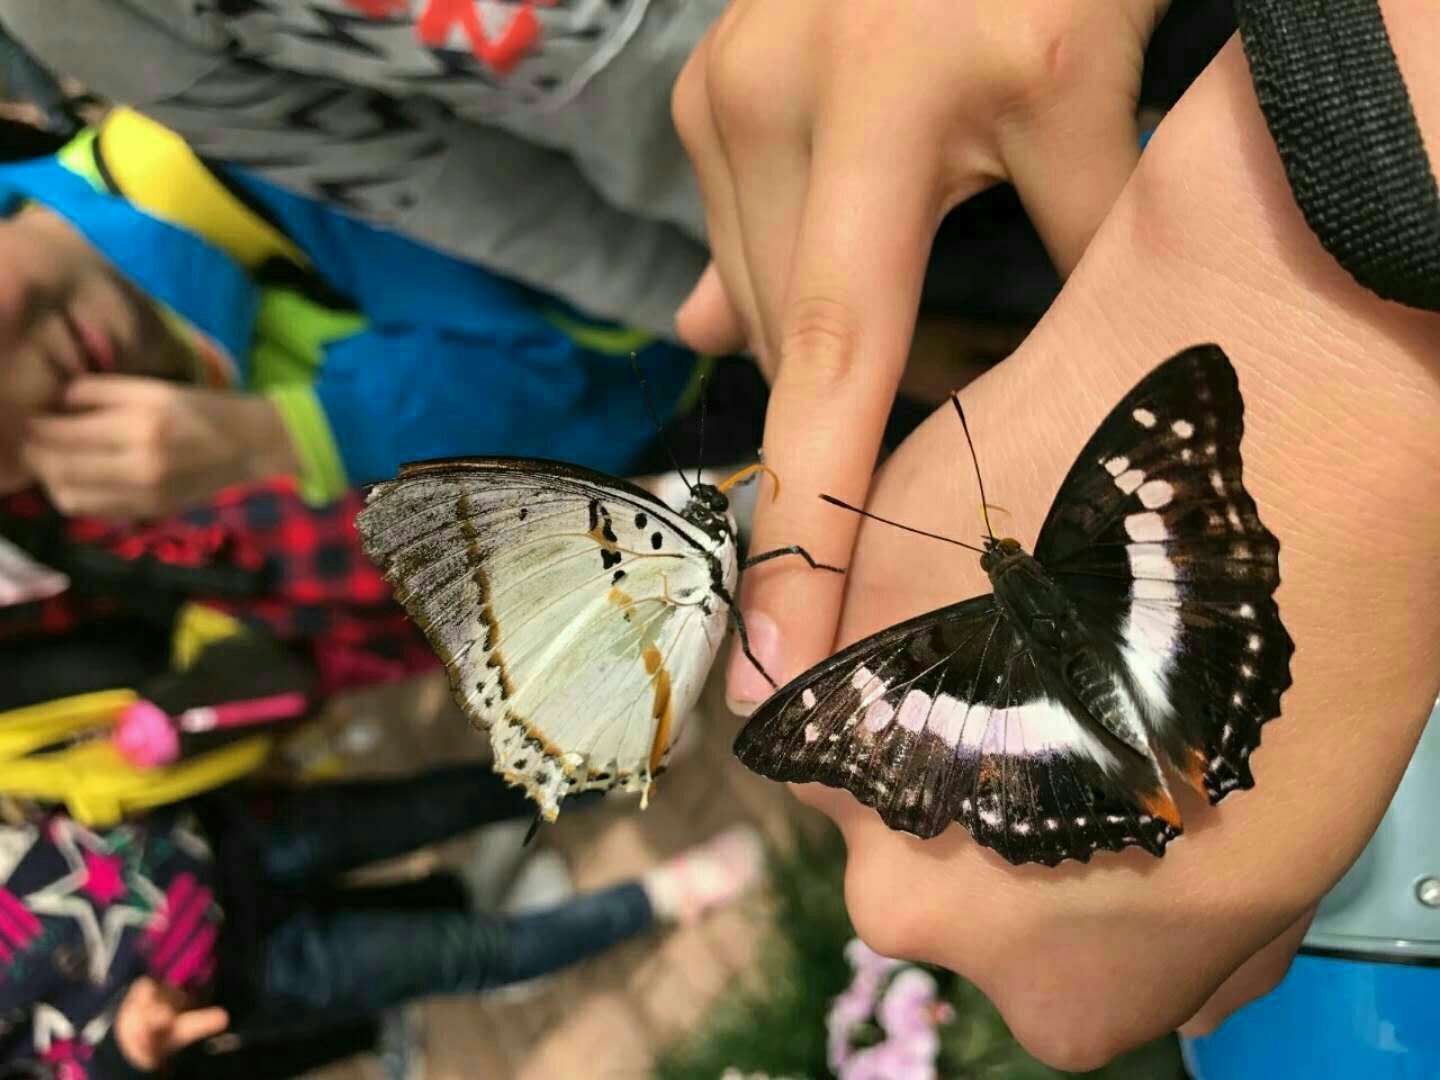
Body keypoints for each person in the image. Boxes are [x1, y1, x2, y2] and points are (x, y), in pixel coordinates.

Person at [744, 5, 1439, 1071]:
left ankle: (1144, 784)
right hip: (1120, 676)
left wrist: (1296, 313)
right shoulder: (1091, 520)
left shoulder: (946, 641)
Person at [0, 107, 697, 519]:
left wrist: (289, 436)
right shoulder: (183, 354)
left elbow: (590, 358)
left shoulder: (217, 145)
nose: (16, 400)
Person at [0, 768, 763, 1078]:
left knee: (436, 802)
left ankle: (622, 769)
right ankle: (664, 897)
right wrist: (120, 1059)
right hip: (232, 973)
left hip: (200, 846)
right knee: (476, 956)